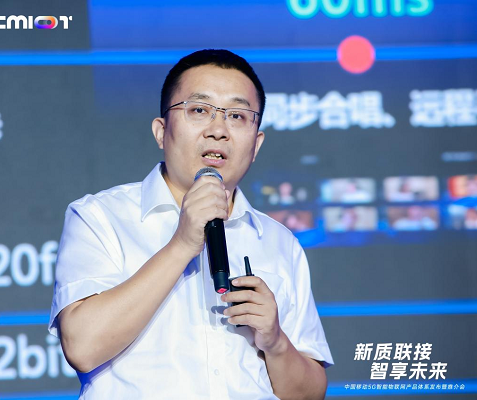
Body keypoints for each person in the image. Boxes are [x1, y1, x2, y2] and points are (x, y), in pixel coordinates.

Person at [48, 49, 333, 399]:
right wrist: (181, 244)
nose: (218, 130)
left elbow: (310, 393)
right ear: (161, 131)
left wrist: (275, 342)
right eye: (199, 110)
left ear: (256, 143)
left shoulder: (279, 241)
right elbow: (82, 347)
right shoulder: (100, 217)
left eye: (237, 116)